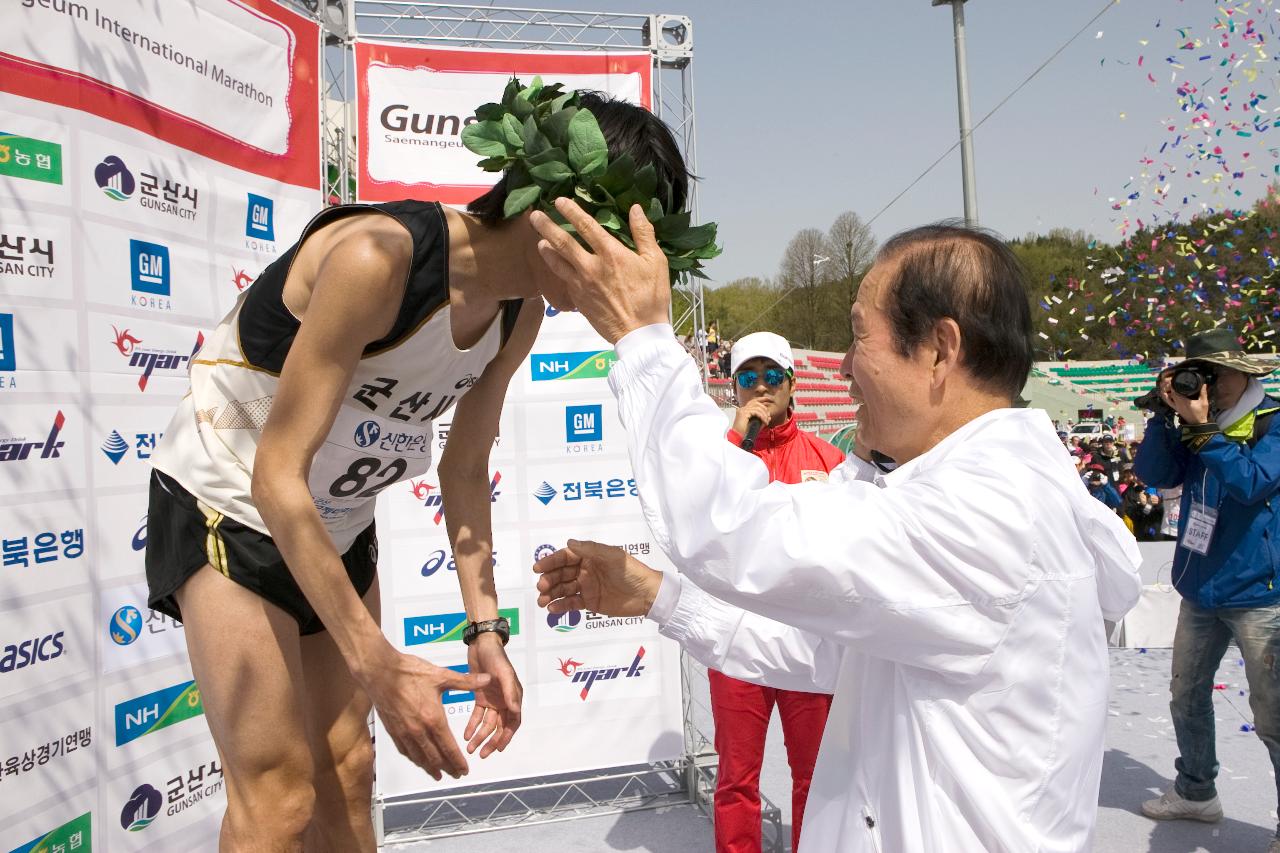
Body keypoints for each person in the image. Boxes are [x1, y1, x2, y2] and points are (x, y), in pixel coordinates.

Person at [144, 90, 693, 851]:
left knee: (350, 768)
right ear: (563, 215)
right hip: (232, 503)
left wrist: (485, 630)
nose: (634, 274)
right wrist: (377, 663)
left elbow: (465, 465)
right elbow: (276, 475)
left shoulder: (518, 309)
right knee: (279, 798)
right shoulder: (380, 258)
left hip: (333, 522)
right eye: (625, 244)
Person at [528, 211, 1142, 851]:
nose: (844, 365)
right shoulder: (995, 498)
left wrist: (644, 338)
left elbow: (729, 529)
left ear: (938, 349)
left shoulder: (992, 514)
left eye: (859, 337)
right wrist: (658, 596)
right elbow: (827, 654)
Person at [1132, 328, 1280, 849]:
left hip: (1261, 594)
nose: (1209, 386)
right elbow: (1153, 473)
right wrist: (1162, 414)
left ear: (1245, 375)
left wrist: (1203, 432)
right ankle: (1196, 792)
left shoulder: (1273, 424)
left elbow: (1252, 484)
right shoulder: (1197, 423)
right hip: (1200, 588)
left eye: (1217, 375)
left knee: (1274, 716)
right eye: (1203, 374)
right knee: (1186, 696)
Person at [710, 331, 843, 853]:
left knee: (814, 777)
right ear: (734, 388)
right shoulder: (718, 457)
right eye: (747, 377)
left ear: (792, 383)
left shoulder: (829, 460)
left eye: (771, 377)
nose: (760, 388)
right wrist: (735, 444)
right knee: (736, 782)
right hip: (736, 644)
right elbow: (702, 522)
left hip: (807, 646)